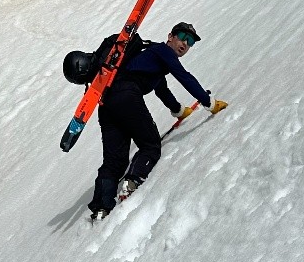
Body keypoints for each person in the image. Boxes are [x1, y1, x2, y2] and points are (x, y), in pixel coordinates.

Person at [88, 21, 213, 219]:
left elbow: (162, 89)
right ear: (170, 36)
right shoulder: (163, 51)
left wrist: (178, 111)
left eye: (190, 42)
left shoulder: (153, 57)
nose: (185, 44)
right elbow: (183, 76)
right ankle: (132, 180)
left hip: (107, 103)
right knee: (150, 145)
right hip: (126, 96)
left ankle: (101, 208)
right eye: (182, 37)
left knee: (114, 161)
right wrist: (209, 103)